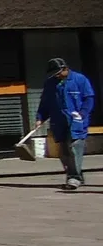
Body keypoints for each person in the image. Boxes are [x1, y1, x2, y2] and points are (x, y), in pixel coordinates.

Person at [37, 57, 94, 190]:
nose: (57, 76)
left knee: (74, 148)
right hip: (58, 121)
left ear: (65, 68)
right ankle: (75, 175)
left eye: (58, 73)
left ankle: (74, 177)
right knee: (63, 152)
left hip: (77, 120)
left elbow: (88, 99)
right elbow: (45, 103)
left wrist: (83, 113)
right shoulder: (50, 83)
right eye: (54, 74)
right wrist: (40, 117)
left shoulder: (80, 80)